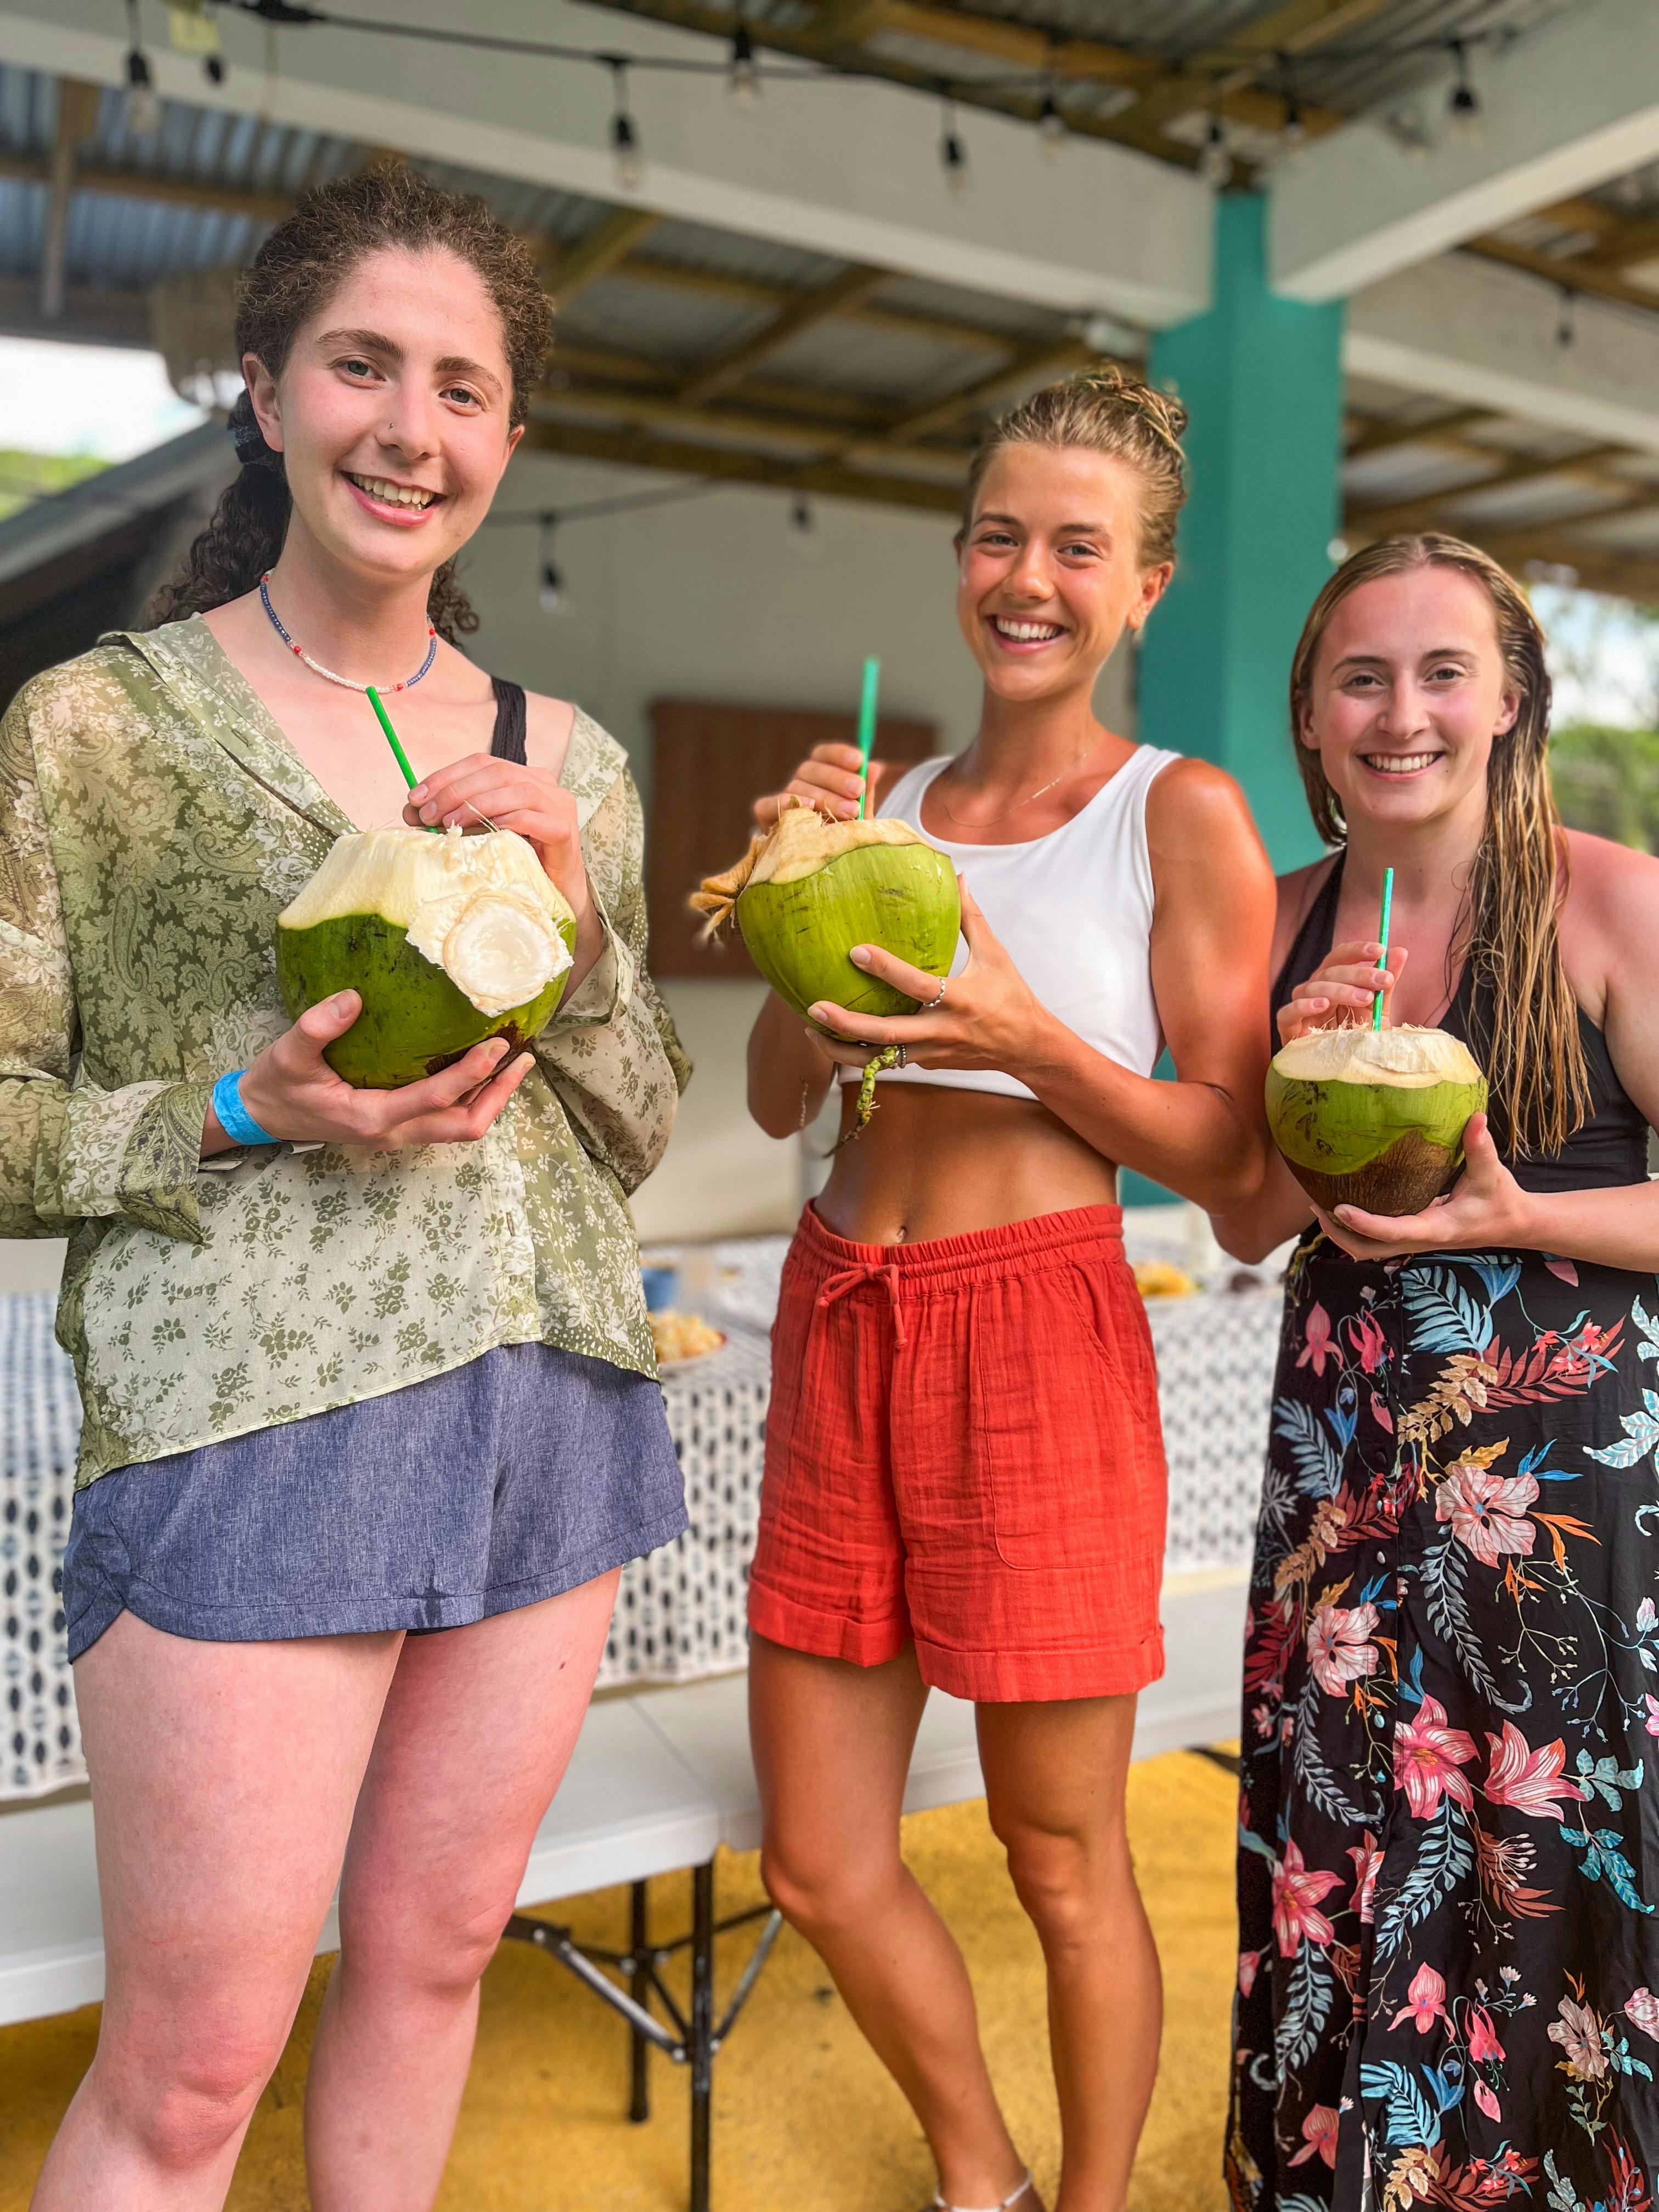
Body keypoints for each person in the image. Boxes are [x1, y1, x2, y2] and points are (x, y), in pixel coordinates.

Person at [4, 167, 688, 2212]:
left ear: (508, 437)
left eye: (463, 387)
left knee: (436, 1960)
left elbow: (634, 1120)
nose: (414, 427)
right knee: (196, 2074)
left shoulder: (570, 757)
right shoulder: (95, 728)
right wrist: (241, 1105)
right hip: (244, 1423)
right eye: (362, 366)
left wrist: (569, 925)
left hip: (547, 1402)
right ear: (266, 390)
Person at [736, 370, 1277, 2212]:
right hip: (841, 1311)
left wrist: (1022, 1035)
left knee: (1059, 1855)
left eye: (1078, 546)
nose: (1027, 576)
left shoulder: (1174, 813)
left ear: (1148, 588)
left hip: (1036, 1324)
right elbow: (774, 1093)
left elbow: (1235, 1163)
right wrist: (784, 904)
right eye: (997, 534)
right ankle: (982, 2172)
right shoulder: (878, 798)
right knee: (817, 1854)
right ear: (957, 557)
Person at [1212, 534, 1659, 2206]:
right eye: (1362, 677)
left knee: (1544, 1852)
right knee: (1358, 1850)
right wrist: (1282, 1064)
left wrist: (1518, 1207)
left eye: (1443, 671)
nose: (1403, 712)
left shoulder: (1609, 900)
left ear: (1513, 700)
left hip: (1565, 1496)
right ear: (1314, 721)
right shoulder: (1276, 921)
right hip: (1347, 1474)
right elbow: (1252, 1217)